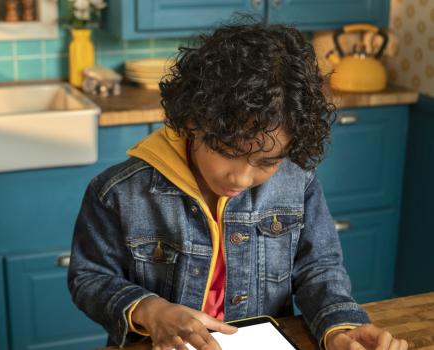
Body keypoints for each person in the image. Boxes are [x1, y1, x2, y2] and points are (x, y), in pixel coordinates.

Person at [68, 22, 408, 350]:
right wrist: (149, 310)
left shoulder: (298, 181)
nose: (242, 178)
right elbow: (89, 278)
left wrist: (340, 328)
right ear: (194, 120)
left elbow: (318, 269)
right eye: (229, 152)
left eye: (267, 162)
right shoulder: (117, 192)